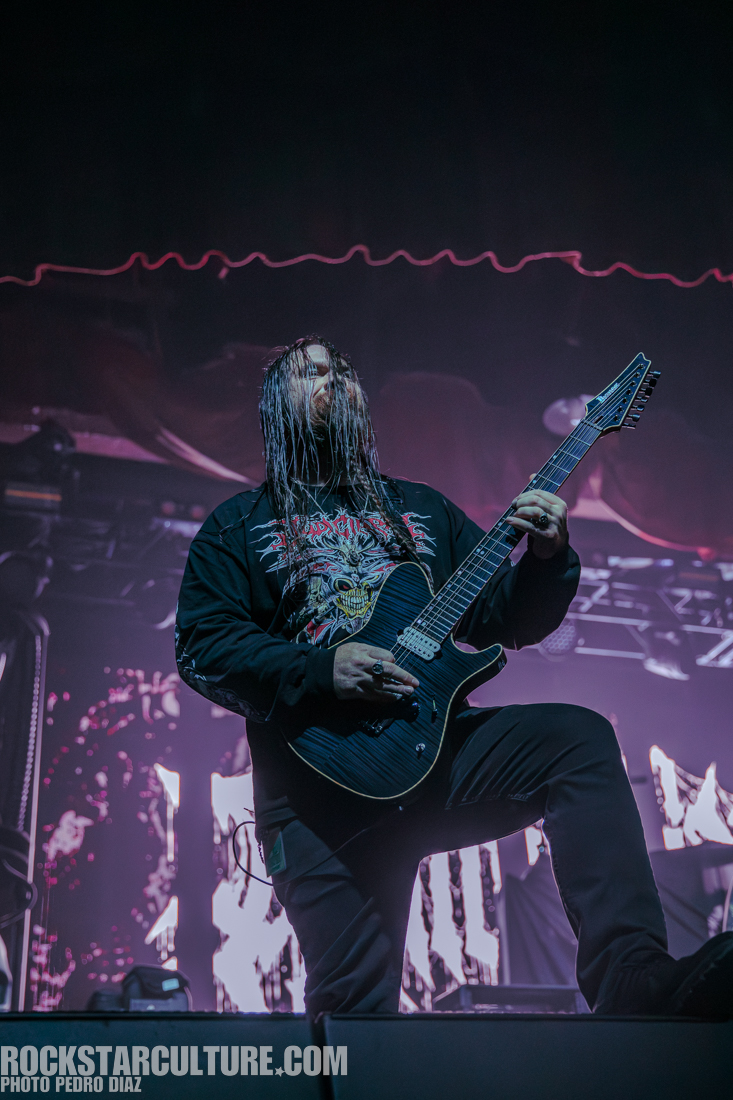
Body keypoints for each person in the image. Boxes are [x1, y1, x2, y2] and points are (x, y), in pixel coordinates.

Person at [176, 335, 733, 1018]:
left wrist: (547, 558)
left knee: (577, 741)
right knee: (353, 1011)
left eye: (345, 372)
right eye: (312, 374)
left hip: (435, 759)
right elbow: (205, 647)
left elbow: (507, 619)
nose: (336, 381)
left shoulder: (424, 512)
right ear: (275, 407)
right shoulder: (238, 526)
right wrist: (323, 669)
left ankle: (632, 979)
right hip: (319, 792)